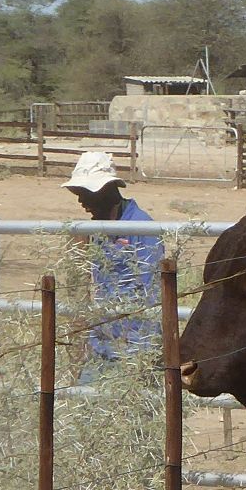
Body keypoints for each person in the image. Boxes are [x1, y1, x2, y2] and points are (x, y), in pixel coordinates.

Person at [62, 151, 165, 369]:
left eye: (85, 193)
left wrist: (142, 347)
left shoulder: (142, 228)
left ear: (106, 191)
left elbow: (151, 291)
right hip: (100, 343)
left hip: (135, 347)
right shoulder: (96, 229)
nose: (80, 200)